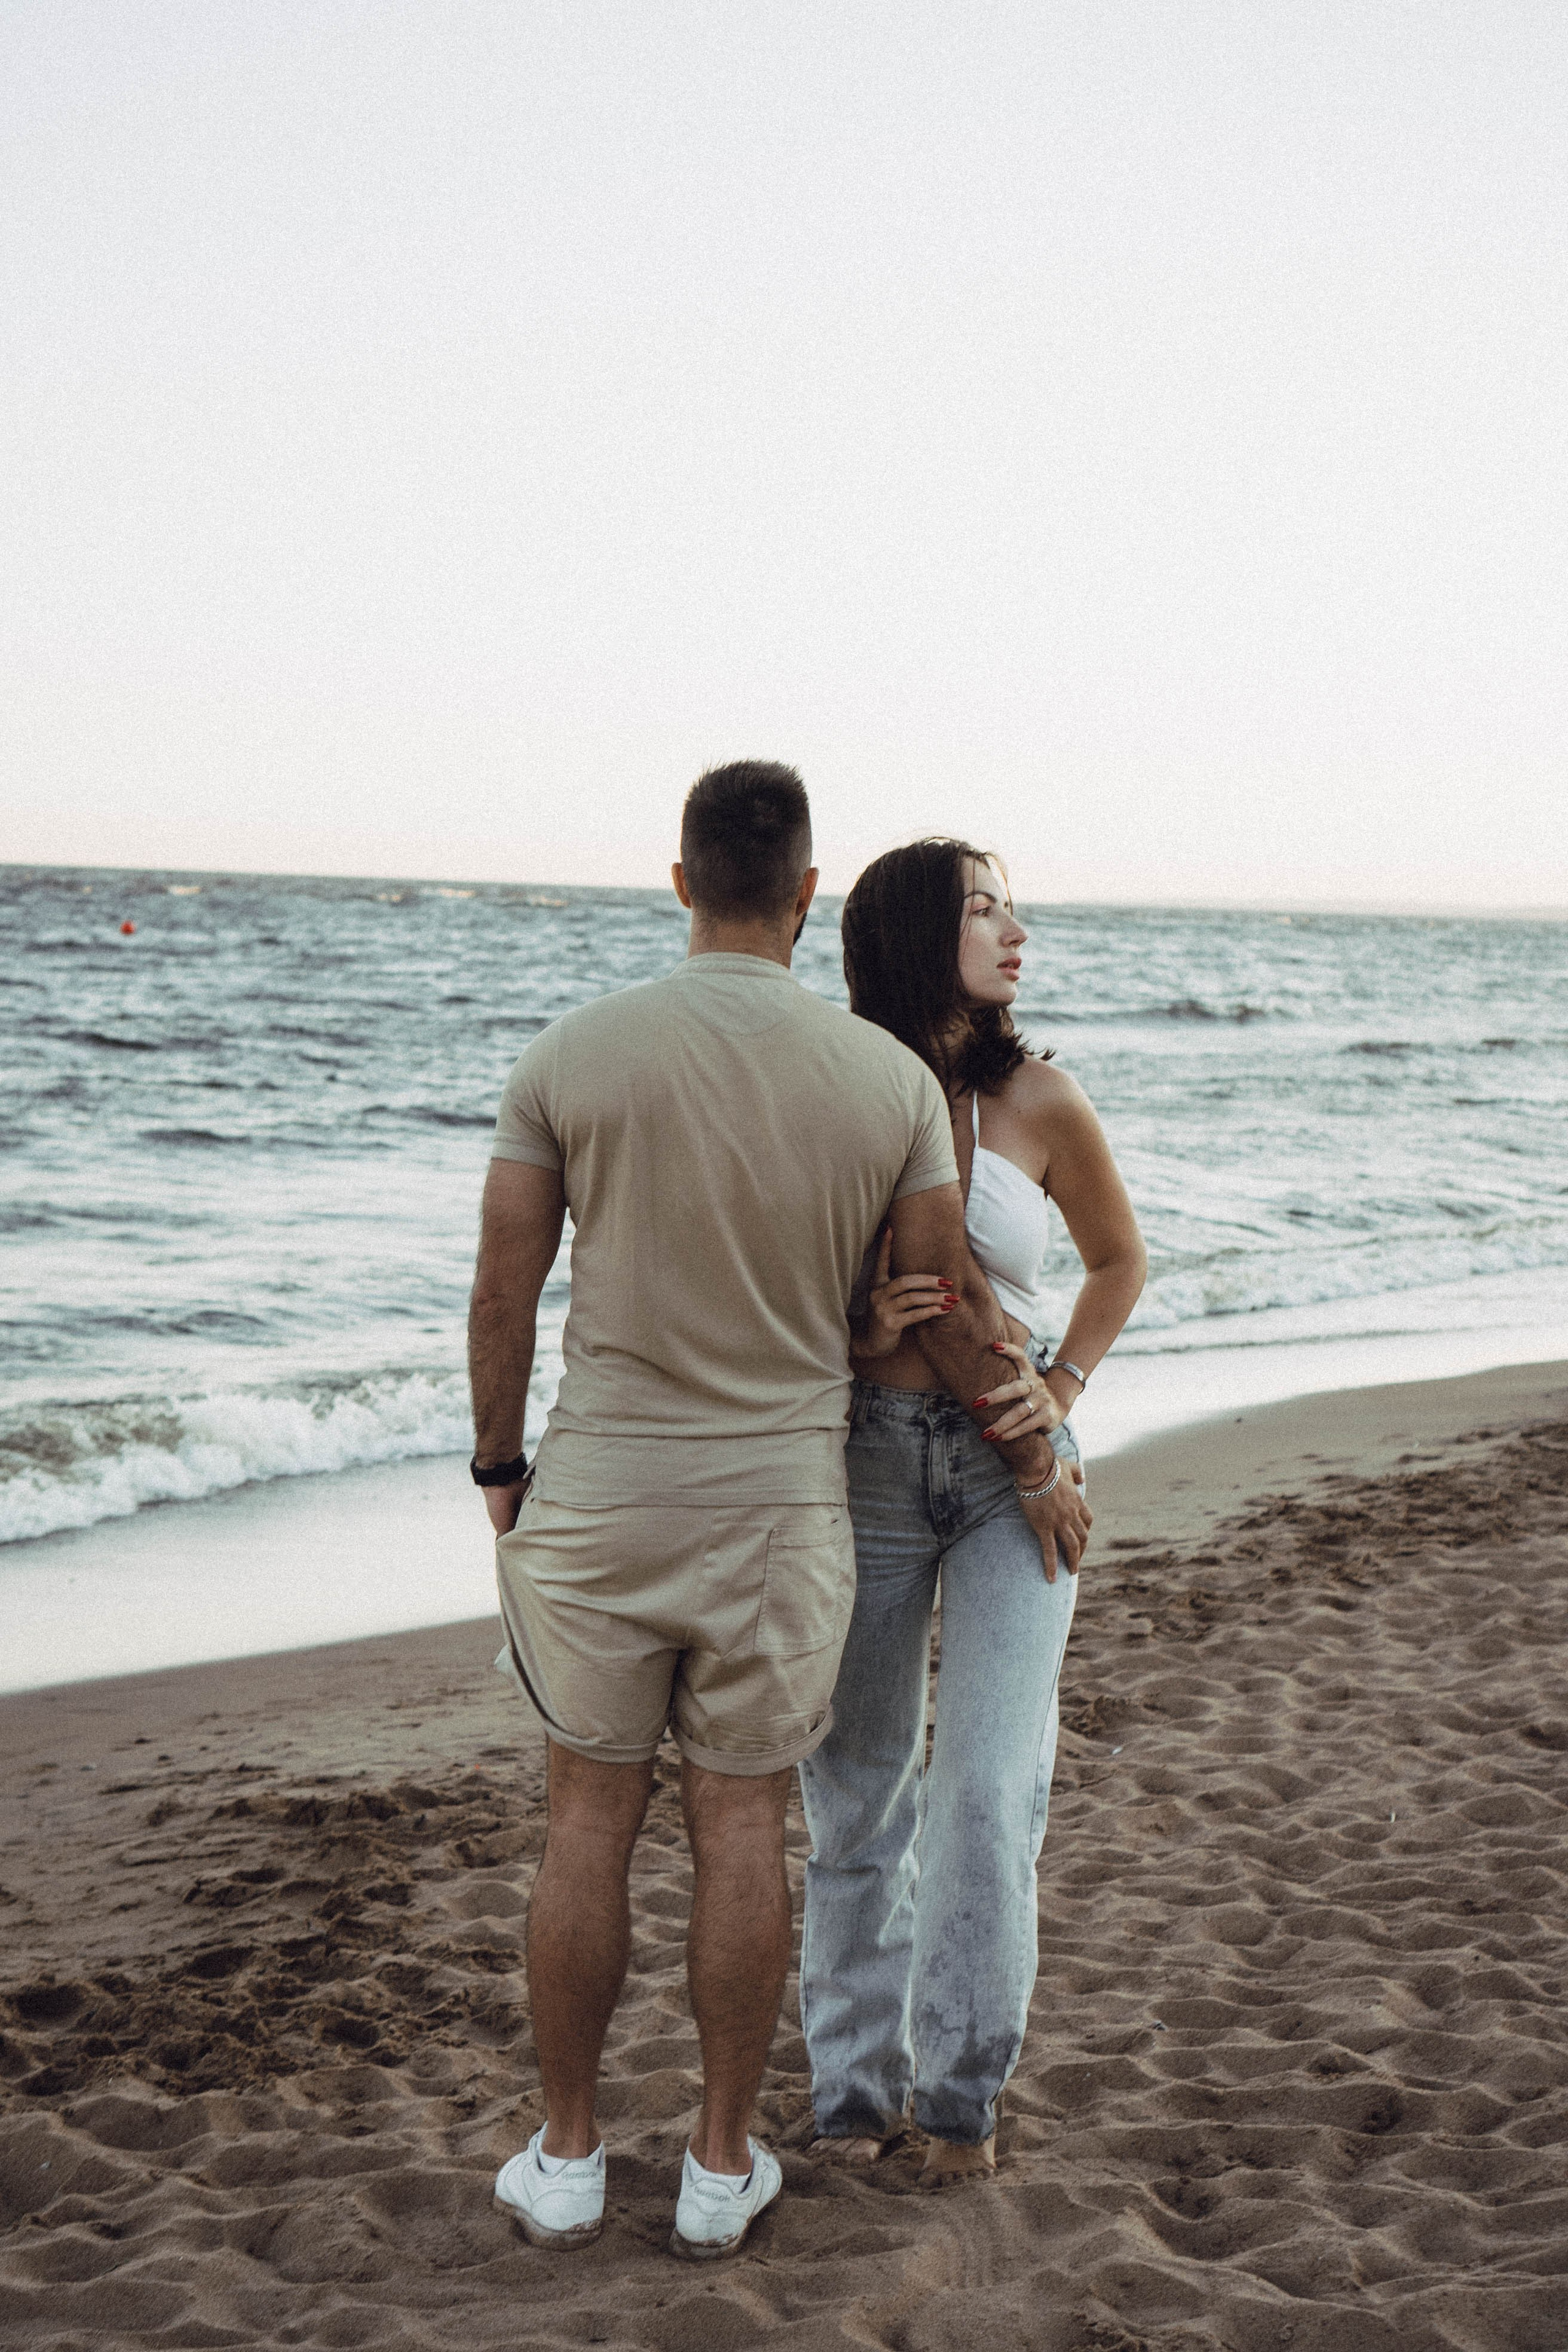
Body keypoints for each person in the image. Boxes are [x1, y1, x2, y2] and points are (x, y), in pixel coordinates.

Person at [468, 769, 1068, 2260]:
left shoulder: (569, 1052)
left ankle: (564, 2155)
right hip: (783, 1507)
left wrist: (499, 1474)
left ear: (680, 881)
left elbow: (501, 1291)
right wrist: (1037, 1445)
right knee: (744, 1824)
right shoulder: (877, 1083)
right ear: (805, 897)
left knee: (585, 1820)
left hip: (602, 1499)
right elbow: (944, 1311)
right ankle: (721, 2166)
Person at [799, 837, 1147, 2185]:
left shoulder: (1041, 1099)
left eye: (1011, 906)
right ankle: (846, 2098)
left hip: (1018, 1475)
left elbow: (1119, 1262)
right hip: (869, 1462)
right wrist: (848, 1324)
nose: (1014, 930)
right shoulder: (837, 1095)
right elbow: (772, 1285)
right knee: (855, 1801)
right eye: (981, 908)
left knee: (990, 1790)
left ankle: (953, 2104)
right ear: (906, 934)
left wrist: (1056, 1393)